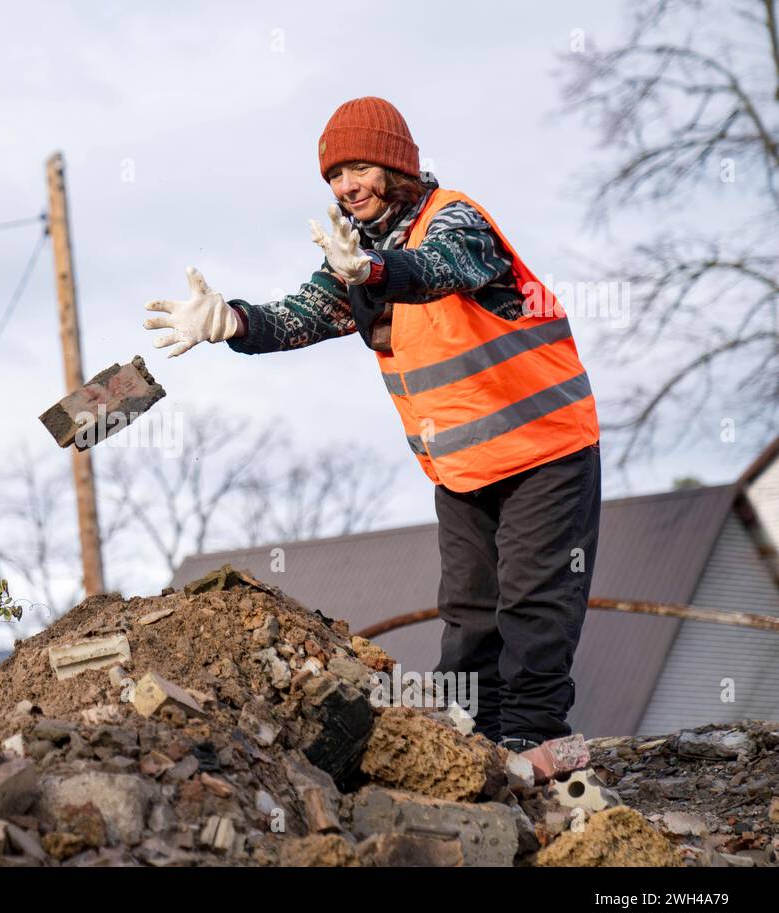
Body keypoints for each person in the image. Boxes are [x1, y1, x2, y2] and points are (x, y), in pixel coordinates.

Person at [144, 96, 601, 751]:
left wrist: (375, 270)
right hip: (463, 468)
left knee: (532, 608)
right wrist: (233, 322)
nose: (345, 186)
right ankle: (476, 752)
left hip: (546, 451)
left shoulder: (455, 221)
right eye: (334, 175)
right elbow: (301, 314)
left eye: (358, 168)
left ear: (395, 166)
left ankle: (536, 748)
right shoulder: (356, 253)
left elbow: (440, 270)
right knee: (469, 620)